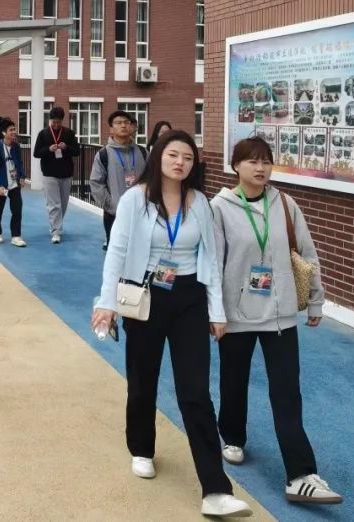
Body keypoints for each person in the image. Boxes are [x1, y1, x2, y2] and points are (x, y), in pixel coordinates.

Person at [91, 130, 251, 519]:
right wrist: (107, 303)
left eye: (188, 157)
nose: (180, 163)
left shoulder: (201, 203)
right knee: (142, 380)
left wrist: (217, 311)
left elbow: (211, 258)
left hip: (189, 299)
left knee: (195, 392)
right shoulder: (135, 199)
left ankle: (215, 489)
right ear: (159, 156)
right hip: (145, 296)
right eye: (173, 155)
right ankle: (142, 448)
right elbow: (117, 252)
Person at [211, 137, 341, 504]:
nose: (260, 168)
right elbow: (213, 263)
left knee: (287, 392)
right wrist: (215, 312)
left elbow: (307, 254)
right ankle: (233, 436)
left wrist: (315, 302)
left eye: (266, 161)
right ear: (236, 166)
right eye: (252, 161)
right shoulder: (219, 208)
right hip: (236, 314)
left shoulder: (285, 204)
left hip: (280, 314)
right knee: (233, 381)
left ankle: (300, 474)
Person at [89, 111, 147, 250]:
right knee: (116, 252)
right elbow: (96, 183)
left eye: (126, 122)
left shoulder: (142, 152)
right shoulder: (104, 154)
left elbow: (152, 178)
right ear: (111, 129)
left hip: (141, 213)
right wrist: (112, 206)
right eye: (118, 123)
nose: (123, 125)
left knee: (141, 250)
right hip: (115, 214)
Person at [33, 106, 81, 244]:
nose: (55, 124)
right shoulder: (43, 134)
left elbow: (77, 151)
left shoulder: (69, 133)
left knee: (63, 204)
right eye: (53, 122)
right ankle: (56, 231)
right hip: (49, 173)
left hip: (66, 173)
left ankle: (56, 225)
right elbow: (36, 153)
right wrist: (48, 149)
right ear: (50, 120)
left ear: (62, 121)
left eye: (58, 122)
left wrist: (66, 148)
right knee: (54, 204)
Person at [0, 118, 27, 247]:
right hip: (2, 185)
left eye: (14, 129)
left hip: (14, 184)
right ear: (4, 133)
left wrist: (22, 176)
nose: (14, 132)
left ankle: (16, 236)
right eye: (11, 130)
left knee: (17, 210)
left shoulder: (16, 147)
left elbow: (19, 163)